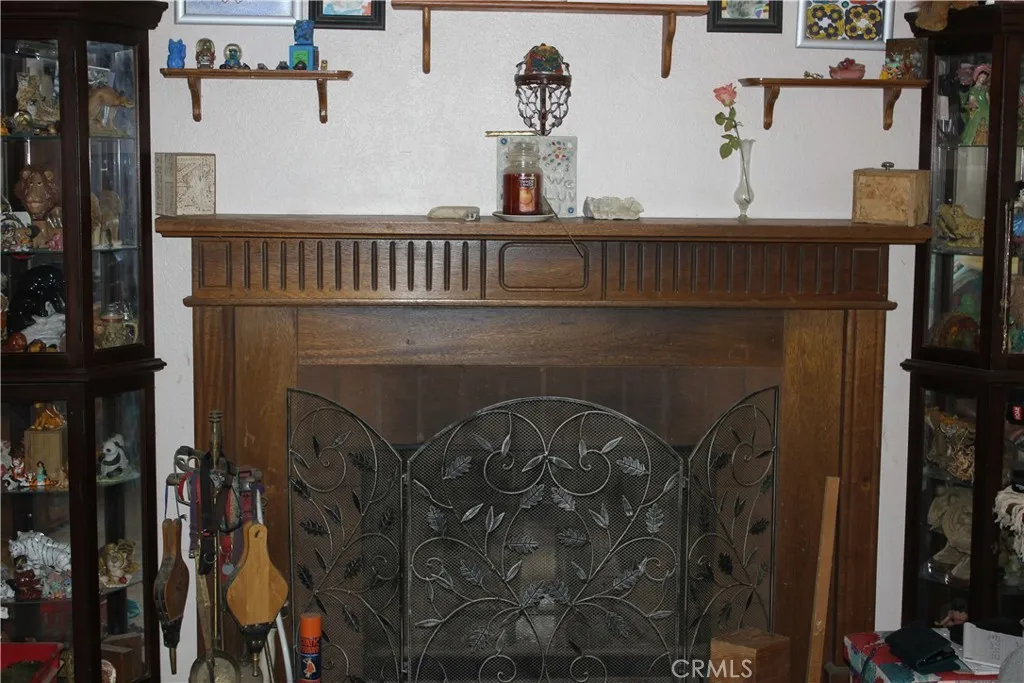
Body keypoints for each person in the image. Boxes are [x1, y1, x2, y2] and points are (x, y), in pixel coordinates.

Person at [961, 64, 991, 146]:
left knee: (988, 121)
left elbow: (988, 99)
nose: (983, 79)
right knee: (975, 122)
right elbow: (972, 100)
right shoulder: (973, 89)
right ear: (977, 77)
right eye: (982, 77)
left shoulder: (985, 89)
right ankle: (972, 141)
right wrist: (974, 108)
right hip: (977, 108)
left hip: (986, 108)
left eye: (984, 78)